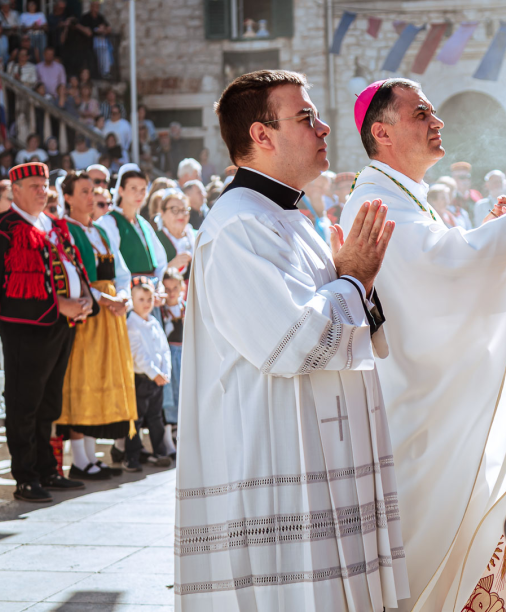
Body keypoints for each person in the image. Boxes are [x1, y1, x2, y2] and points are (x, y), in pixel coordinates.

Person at [342, 78, 506, 612]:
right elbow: (446, 271)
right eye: (421, 113)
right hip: (420, 416)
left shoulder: (403, 196)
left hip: (437, 409)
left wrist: (493, 240)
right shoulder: (375, 202)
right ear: (382, 132)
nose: (438, 121)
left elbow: (448, 269)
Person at [174, 69, 407, 611]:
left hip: (322, 452)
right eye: (306, 117)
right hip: (277, 455)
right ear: (262, 135)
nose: (323, 128)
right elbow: (292, 343)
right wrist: (353, 279)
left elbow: (340, 314)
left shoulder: (290, 216)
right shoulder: (238, 225)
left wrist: (356, 282)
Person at [0, 162, 94, 503]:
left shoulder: (53, 224)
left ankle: (47, 469)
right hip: (25, 330)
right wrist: (60, 304)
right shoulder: (4, 227)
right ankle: (26, 477)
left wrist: (86, 297)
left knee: (49, 402)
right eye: (34, 185)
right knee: (25, 404)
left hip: (61, 326)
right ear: (14, 190)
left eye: (45, 185)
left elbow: (73, 264)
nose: (42, 191)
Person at [57, 171, 135, 481]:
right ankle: (79, 458)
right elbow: (75, 276)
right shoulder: (65, 230)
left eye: (93, 191)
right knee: (83, 378)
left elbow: (121, 272)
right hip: (87, 316)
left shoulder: (101, 232)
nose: (92, 197)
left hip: (109, 317)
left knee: (100, 378)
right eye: (84, 192)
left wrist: (124, 296)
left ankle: (90, 456)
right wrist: (106, 299)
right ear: (67, 197)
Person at [125, 277, 173, 471]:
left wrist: (165, 371)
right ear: (132, 301)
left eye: (149, 299)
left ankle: (159, 452)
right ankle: (131, 457)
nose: (146, 304)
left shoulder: (154, 322)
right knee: (135, 420)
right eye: (141, 300)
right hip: (142, 379)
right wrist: (154, 373)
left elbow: (164, 349)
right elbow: (138, 354)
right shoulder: (131, 324)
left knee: (155, 417)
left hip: (157, 380)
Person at [98, 164, 167, 281]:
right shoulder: (109, 222)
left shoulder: (143, 224)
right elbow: (113, 263)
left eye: (143, 189)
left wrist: (158, 284)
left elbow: (160, 260)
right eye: (133, 188)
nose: (139, 194)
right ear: (121, 190)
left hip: (151, 287)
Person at [159, 268, 185, 450]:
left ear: (182, 286)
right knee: (169, 395)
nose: (171, 293)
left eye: (175, 288)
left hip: (183, 354)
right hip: (168, 355)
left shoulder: (186, 308)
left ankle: (182, 430)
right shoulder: (161, 311)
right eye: (167, 289)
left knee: (183, 391)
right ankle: (169, 432)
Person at [155, 188, 195, 279]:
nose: (181, 215)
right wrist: (170, 267)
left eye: (184, 210)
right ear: (162, 213)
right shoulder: (155, 239)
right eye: (174, 210)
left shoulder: (195, 236)